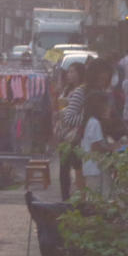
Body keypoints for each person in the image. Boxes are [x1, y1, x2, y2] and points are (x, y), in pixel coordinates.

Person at [78, 91, 121, 196]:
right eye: (106, 106)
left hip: (94, 168)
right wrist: (112, 148)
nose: (109, 109)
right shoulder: (94, 123)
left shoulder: (92, 122)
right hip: (95, 169)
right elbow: (96, 147)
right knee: (97, 199)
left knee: (97, 198)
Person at [56, 62, 86, 200]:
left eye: (73, 72)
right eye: (69, 72)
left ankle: (75, 197)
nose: (70, 75)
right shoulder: (67, 89)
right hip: (63, 133)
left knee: (76, 166)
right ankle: (65, 197)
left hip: (73, 135)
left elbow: (72, 117)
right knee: (64, 168)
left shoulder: (80, 91)